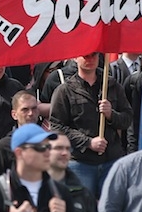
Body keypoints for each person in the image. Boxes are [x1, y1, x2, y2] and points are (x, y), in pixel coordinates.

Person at [50, 52, 132, 197]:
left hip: (111, 160)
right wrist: (87, 142)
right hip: (80, 163)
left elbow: (127, 119)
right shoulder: (65, 91)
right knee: (82, 211)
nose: (90, 59)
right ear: (75, 58)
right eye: (85, 56)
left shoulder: (112, 85)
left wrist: (111, 114)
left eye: (94, 55)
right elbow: (57, 127)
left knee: (111, 209)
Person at [0, 90, 41, 177]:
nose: (31, 113)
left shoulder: (47, 142)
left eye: (34, 108)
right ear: (14, 115)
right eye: (25, 110)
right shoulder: (3, 147)